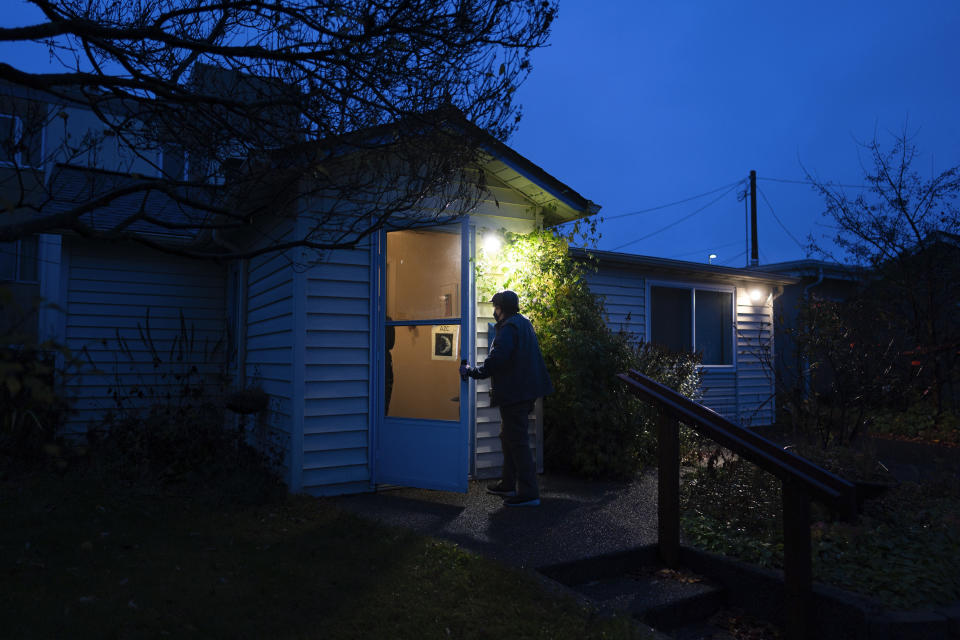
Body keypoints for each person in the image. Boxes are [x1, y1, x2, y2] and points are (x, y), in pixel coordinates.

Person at [460, 290, 553, 507]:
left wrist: (471, 371)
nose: (494, 311)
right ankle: (508, 484)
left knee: (518, 441)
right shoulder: (522, 323)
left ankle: (529, 493)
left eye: (496, 307)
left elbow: (498, 360)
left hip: (516, 392)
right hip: (524, 390)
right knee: (508, 436)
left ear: (502, 308)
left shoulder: (509, 327)